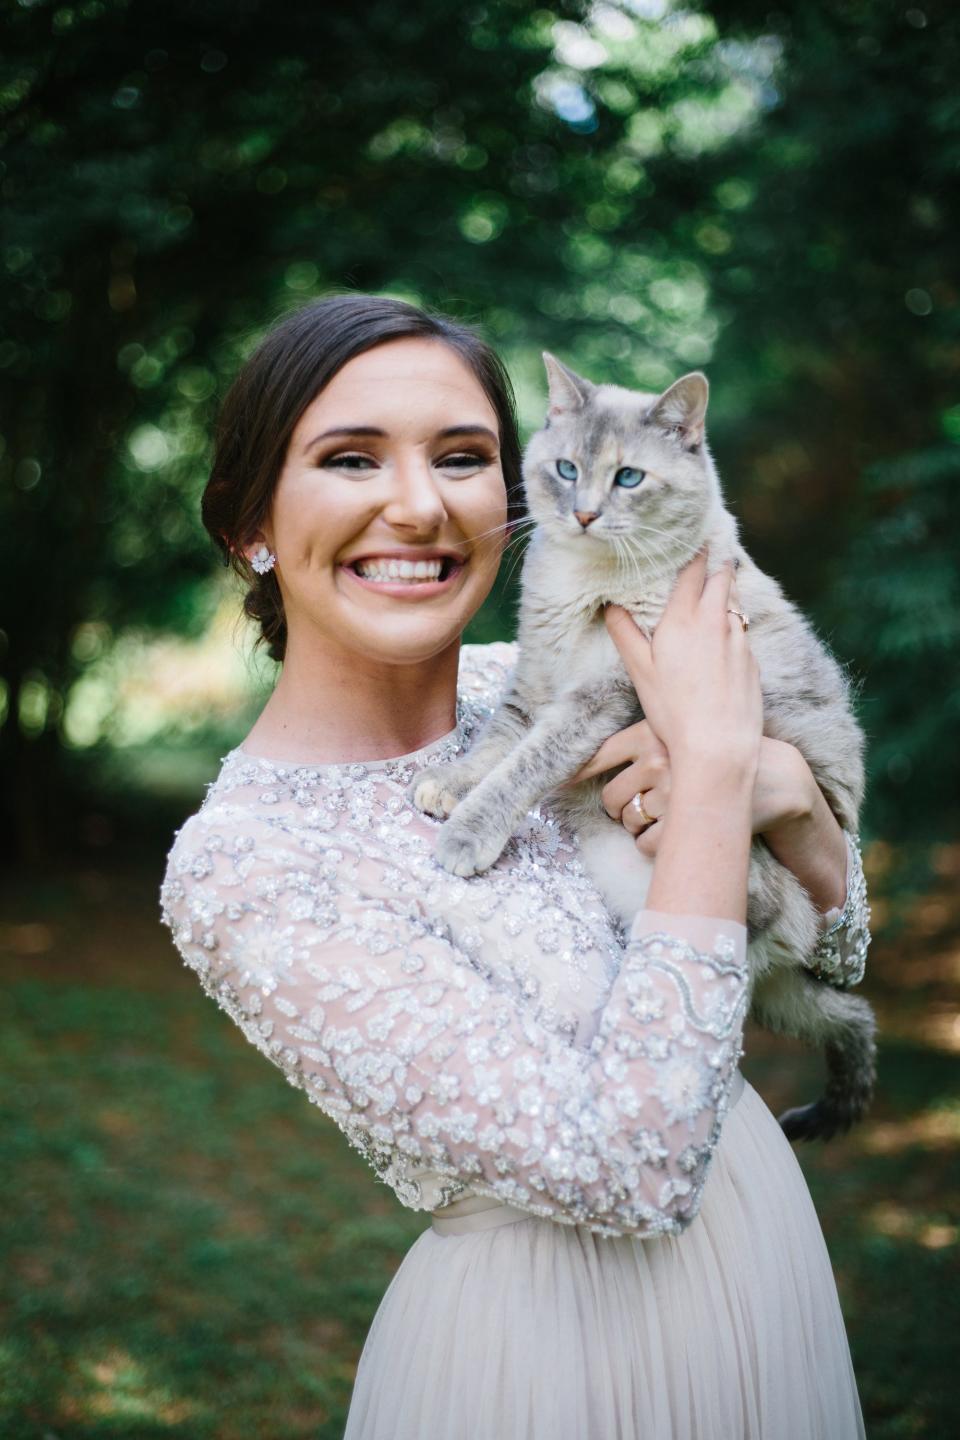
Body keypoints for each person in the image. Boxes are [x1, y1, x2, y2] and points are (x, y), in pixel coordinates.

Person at [159, 293, 869, 1438]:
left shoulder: (537, 676)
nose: (419, 503)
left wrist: (800, 816)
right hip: (552, 1364)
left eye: (461, 456)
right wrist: (718, 785)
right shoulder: (248, 864)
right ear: (250, 521)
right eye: (350, 458)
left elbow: (838, 946)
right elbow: (634, 1173)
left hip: (768, 1272)